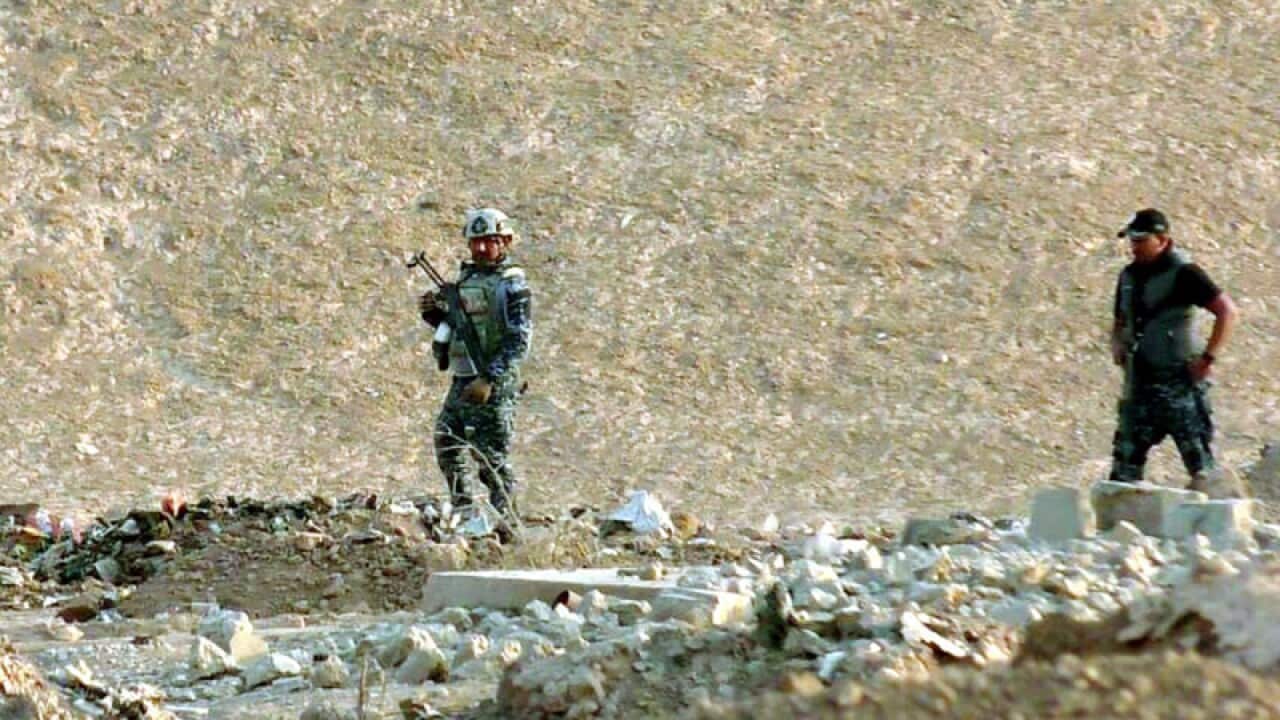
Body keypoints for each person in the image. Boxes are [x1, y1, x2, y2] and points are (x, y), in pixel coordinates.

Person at [1108, 208, 1240, 496]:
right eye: (1132, 240)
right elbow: (1120, 320)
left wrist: (1208, 357)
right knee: (1123, 468)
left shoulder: (1185, 273)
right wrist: (1117, 344)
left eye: (1141, 240)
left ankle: (1215, 530)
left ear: (1163, 240)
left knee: (1201, 466)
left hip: (1180, 384)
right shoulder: (1128, 277)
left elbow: (1227, 312)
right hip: (1140, 386)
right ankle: (1121, 528)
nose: (1134, 247)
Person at [419, 208, 532, 518]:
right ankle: (465, 511)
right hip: (464, 377)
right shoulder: (468, 280)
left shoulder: (512, 285)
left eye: (490, 241)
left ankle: (508, 523)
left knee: (491, 459)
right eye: (476, 242)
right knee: (447, 442)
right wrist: (434, 314)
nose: (482, 248)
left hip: (492, 385)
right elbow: (460, 327)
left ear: (505, 242)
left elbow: (518, 340)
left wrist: (490, 379)